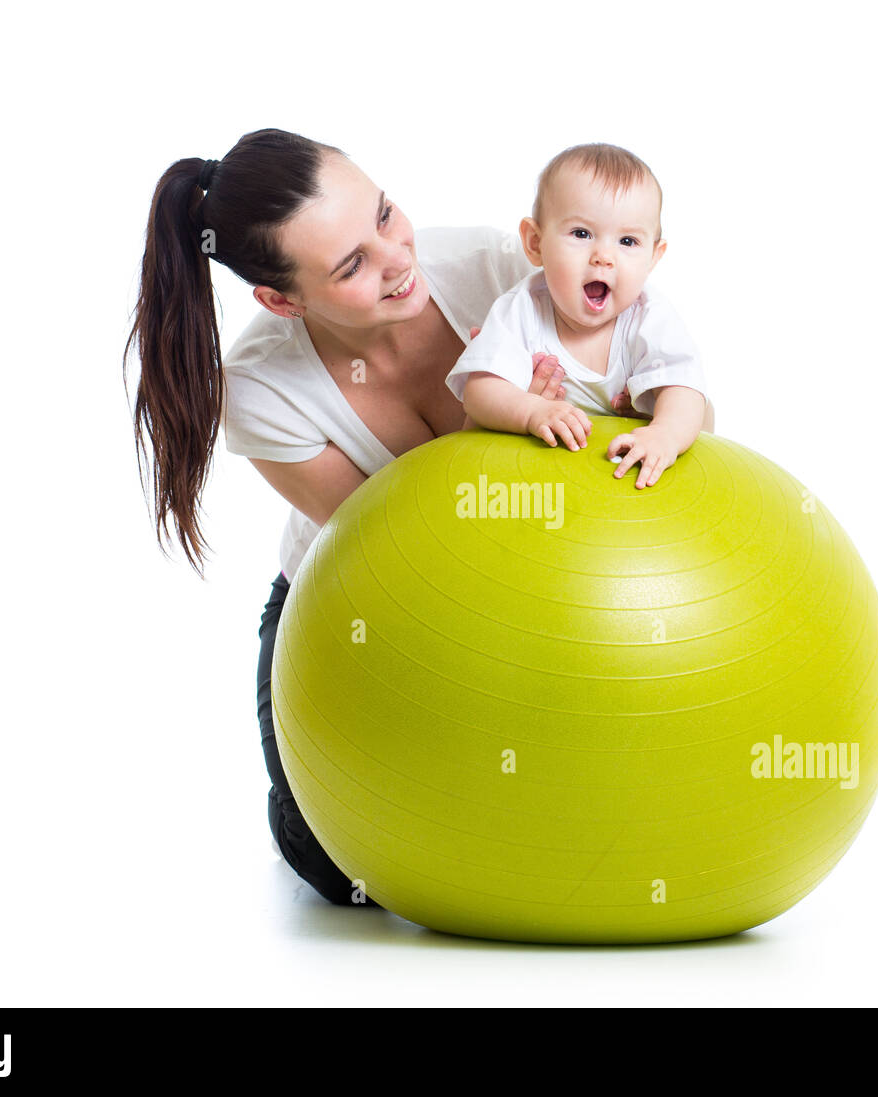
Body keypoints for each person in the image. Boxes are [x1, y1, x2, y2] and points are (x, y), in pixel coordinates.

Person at [124, 128, 574, 906]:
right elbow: (407, 550)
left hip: (542, 584)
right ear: (280, 299)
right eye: (350, 265)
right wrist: (504, 429)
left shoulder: (502, 272)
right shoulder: (263, 388)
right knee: (340, 869)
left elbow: (653, 373)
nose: (398, 258)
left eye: (386, 215)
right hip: (365, 605)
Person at [447, 143, 711, 489]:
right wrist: (530, 411)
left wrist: (664, 434)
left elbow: (685, 389)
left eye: (628, 241)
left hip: (627, 484)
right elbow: (480, 393)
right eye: (581, 234)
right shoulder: (522, 308)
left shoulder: (649, 317)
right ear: (535, 243)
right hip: (536, 483)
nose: (603, 256)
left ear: (653, 257)